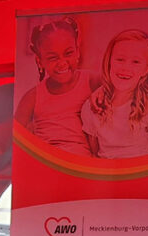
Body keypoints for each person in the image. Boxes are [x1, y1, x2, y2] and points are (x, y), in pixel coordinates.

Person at [14, 17, 98, 156]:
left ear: (77, 51)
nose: (62, 63)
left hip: (82, 166)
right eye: (53, 58)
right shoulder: (32, 97)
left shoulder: (92, 81)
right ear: (40, 61)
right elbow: (15, 140)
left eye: (68, 53)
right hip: (47, 165)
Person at [81, 28, 148, 158]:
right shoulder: (91, 107)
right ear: (109, 62)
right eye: (120, 59)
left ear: (146, 70)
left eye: (136, 62)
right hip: (111, 173)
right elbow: (94, 153)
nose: (126, 67)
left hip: (144, 169)